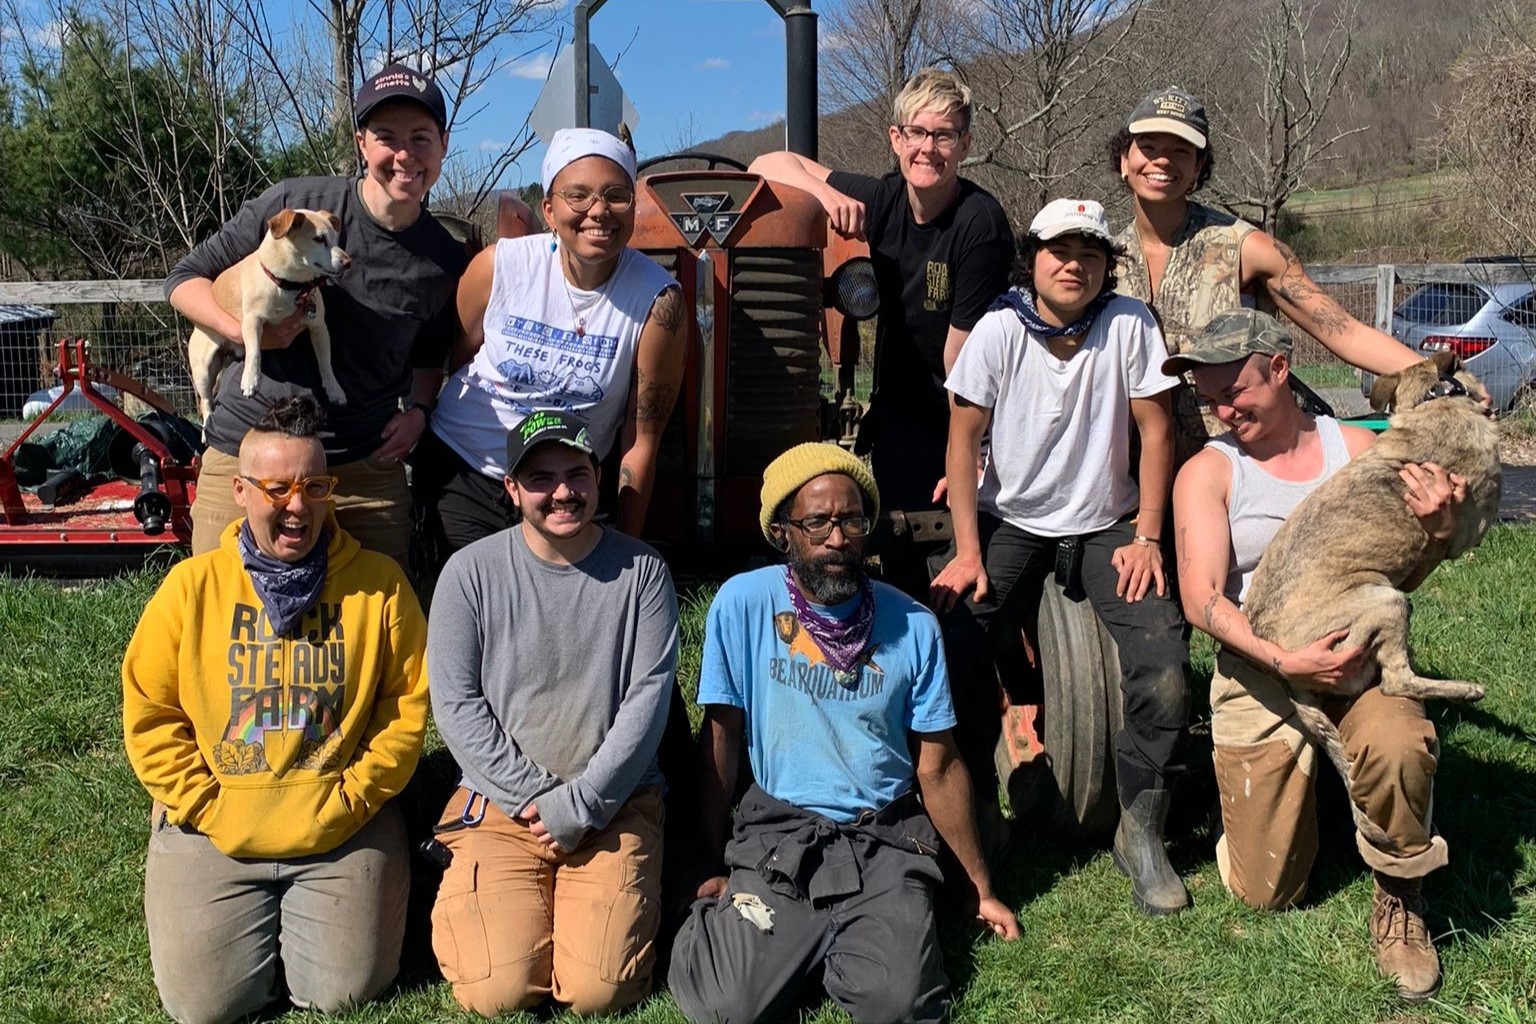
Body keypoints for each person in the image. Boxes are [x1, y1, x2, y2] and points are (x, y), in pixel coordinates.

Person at [668, 442, 1020, 1024]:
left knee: (901, 1004)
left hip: (883, 836)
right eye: (817, 522)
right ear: (783, 532)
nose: (837, 538)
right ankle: (772, 936)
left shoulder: (913, 624)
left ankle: (842, 940)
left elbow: (938, 764)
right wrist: (706, 861)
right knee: (728, 1005)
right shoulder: (742, 604)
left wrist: (977, 886)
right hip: (780, 833)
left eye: (852, 519)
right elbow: (722, 740)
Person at [1171, 309, 1464, 999]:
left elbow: (1402, 576)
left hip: (1359, 660)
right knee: (1265, 892)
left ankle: (1400, 891)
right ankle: (1307, 800)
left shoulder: (1358, 452)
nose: (1218, 409)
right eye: (1205, 397)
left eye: (1231, 391)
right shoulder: (1209, 472)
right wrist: (1284, 660)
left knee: (1399, 742)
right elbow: (1202, 598)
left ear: (1279, 368)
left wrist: (1438, 533)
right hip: (1261, 669)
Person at [121, 396, 429, 1024]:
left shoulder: (379, 585)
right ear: (238, 491)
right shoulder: (190, 589)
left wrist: (355, 796)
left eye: (315, 486)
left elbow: (406, 710)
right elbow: (150, 713)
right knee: (205, 1008)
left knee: (343, 993)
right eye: (277, 487)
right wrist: (204, 802)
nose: (298, 505)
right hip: (215, 824)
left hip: (341, 822)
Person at [930, 198, 1192, 915]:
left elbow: (1156, 431)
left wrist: (1146, 533)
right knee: (952, 645)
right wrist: (967, 549)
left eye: (1089, 253)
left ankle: (1141, 827)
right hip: (1012, 518)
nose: (1072, 264)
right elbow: (961, 441)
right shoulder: (998, 329)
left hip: (1108, 521)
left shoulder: (1129, 324)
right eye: (1057, 250)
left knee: (1165, 669)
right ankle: (980, 806)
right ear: (1033, 258)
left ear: (1107, 265)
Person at [425, 409, 679, 1017]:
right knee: (498, 993)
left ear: (598, 477)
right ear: (512, 490)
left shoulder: (643, 573)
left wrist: (583, 804)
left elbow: (648, 701)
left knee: (601, 992)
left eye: (577, 473)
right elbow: (456, 705)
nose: (562, 491)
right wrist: (540, 801)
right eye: (540, 478)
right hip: (501, 806)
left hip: (613, 804)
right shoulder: (469, 574)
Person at [169, 63, 468, 569]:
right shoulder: (296, 206)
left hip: (365, 467)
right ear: (361, 143)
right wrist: (244, 331)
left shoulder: (445, 260)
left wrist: (418, 412)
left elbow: (430, 356)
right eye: (385, 137)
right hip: (249, 453)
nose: (404, 155)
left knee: (370, 628)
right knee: (224, 617)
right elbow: (184, 281)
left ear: (443, 144)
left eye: (420, 138)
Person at [749, 69, 1014, 594]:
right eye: (916, 133)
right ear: (896, 139)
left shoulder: (979, 226)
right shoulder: (886, 200)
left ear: (965, 144)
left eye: (943, 135)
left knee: (948, 577)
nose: (928, 149)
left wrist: (974, 456)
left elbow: (964, 366)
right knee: (896, 563)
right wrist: (822, 198)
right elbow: (766, 164)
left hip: (957, 418)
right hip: (897, 409)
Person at [1109, 87, 1419, 462]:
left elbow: (1344, 330)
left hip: (1238, 464)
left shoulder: (1246, 247)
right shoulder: (1102, 261)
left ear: (1198, 168)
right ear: (1125, 160)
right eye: (1149, 147)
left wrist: (1438, 376)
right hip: (1135, 471)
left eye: (1180, 151)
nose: (1162, 161)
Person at [419, 127, 688, 550]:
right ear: (548, 209)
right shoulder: (500, 267)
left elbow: (640, 439)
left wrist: (626, 551)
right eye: (578, 196)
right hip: (470, 466)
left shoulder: (658, 302)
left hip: (568, 488)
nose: (599, 211)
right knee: (472, 598)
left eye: (617, 195)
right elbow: (456, 359)